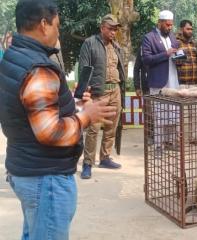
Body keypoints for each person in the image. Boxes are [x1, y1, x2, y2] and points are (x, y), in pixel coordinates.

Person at [0, 0, 116, 239]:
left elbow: (31, 110)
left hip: (26, 167)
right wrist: (85, 117)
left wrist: (73, 106)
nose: (58, 31)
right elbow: (50, 131)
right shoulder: (38, 68)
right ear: (44, 24)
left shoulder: (14, 56)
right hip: (45, 177)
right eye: (57, 25)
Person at [79, 14, 126, 179]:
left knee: (112, 126)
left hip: (115, 91)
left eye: (115, 29)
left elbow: (120, 69)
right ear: (102, 28)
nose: (113, 32)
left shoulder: (116, 46)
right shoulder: (90, 43)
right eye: (110, 28)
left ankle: (105, 157)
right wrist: (85, 94)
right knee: (93, 129)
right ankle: (87, 163)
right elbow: (84, 69)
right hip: (99, 92)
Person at [141, 10, 180, 154]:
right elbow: (146, 59)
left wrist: (180, 57)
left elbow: (175, 54)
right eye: (167, 25)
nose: (170, 27)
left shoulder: (173, 37)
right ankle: (158, 146)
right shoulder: (149, 38)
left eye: (171, 25)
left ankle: (170, 142)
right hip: (159, 82)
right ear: (160, 23)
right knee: (160, 113)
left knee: (173, 112)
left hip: (173, 80)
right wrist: (166, 54)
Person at [176, 19, 197, 87]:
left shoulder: (194, 43)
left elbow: (196, 61)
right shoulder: (176, 42)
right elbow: (176, 63)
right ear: (181, 29)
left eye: (191, 29)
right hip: (181, 83)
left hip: (194, 82)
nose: (190, 31)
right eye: (188, 29)